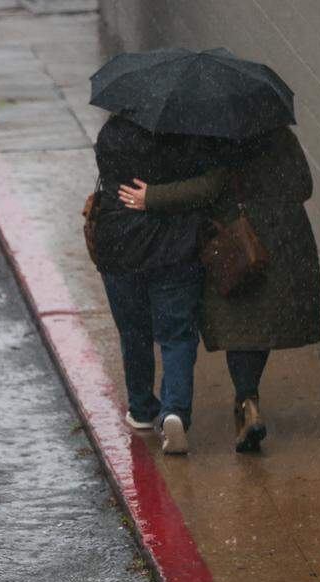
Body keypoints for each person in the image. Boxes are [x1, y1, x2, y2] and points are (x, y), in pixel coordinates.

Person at [118, 126, 320, 452]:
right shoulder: (278, 131)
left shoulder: (218, 138)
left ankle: (247, 400)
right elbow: (304, 185)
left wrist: (151, 197)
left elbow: (207, 189)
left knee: (241, 326)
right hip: (281, 240)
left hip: (235, 245)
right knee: (260, 325)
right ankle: (246, 402)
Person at [93, 115, 223, 455]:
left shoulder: (112, 134)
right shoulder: (189, 137)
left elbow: (109, 180)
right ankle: (174, 411)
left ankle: (141, 408)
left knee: (133, 332)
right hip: (174, 251)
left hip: (120, 247)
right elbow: (206, 186)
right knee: (177, 335)